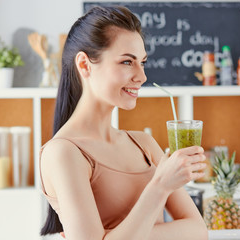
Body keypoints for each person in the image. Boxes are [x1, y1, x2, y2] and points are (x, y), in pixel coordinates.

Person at [39, 5, 208, 240]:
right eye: (127, 62)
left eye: (143, 62)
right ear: (85, 65)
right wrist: (159, 186)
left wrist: (112, 236)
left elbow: (198, 231)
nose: (142, 76)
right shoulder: (64, 152)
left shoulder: (144, 144)